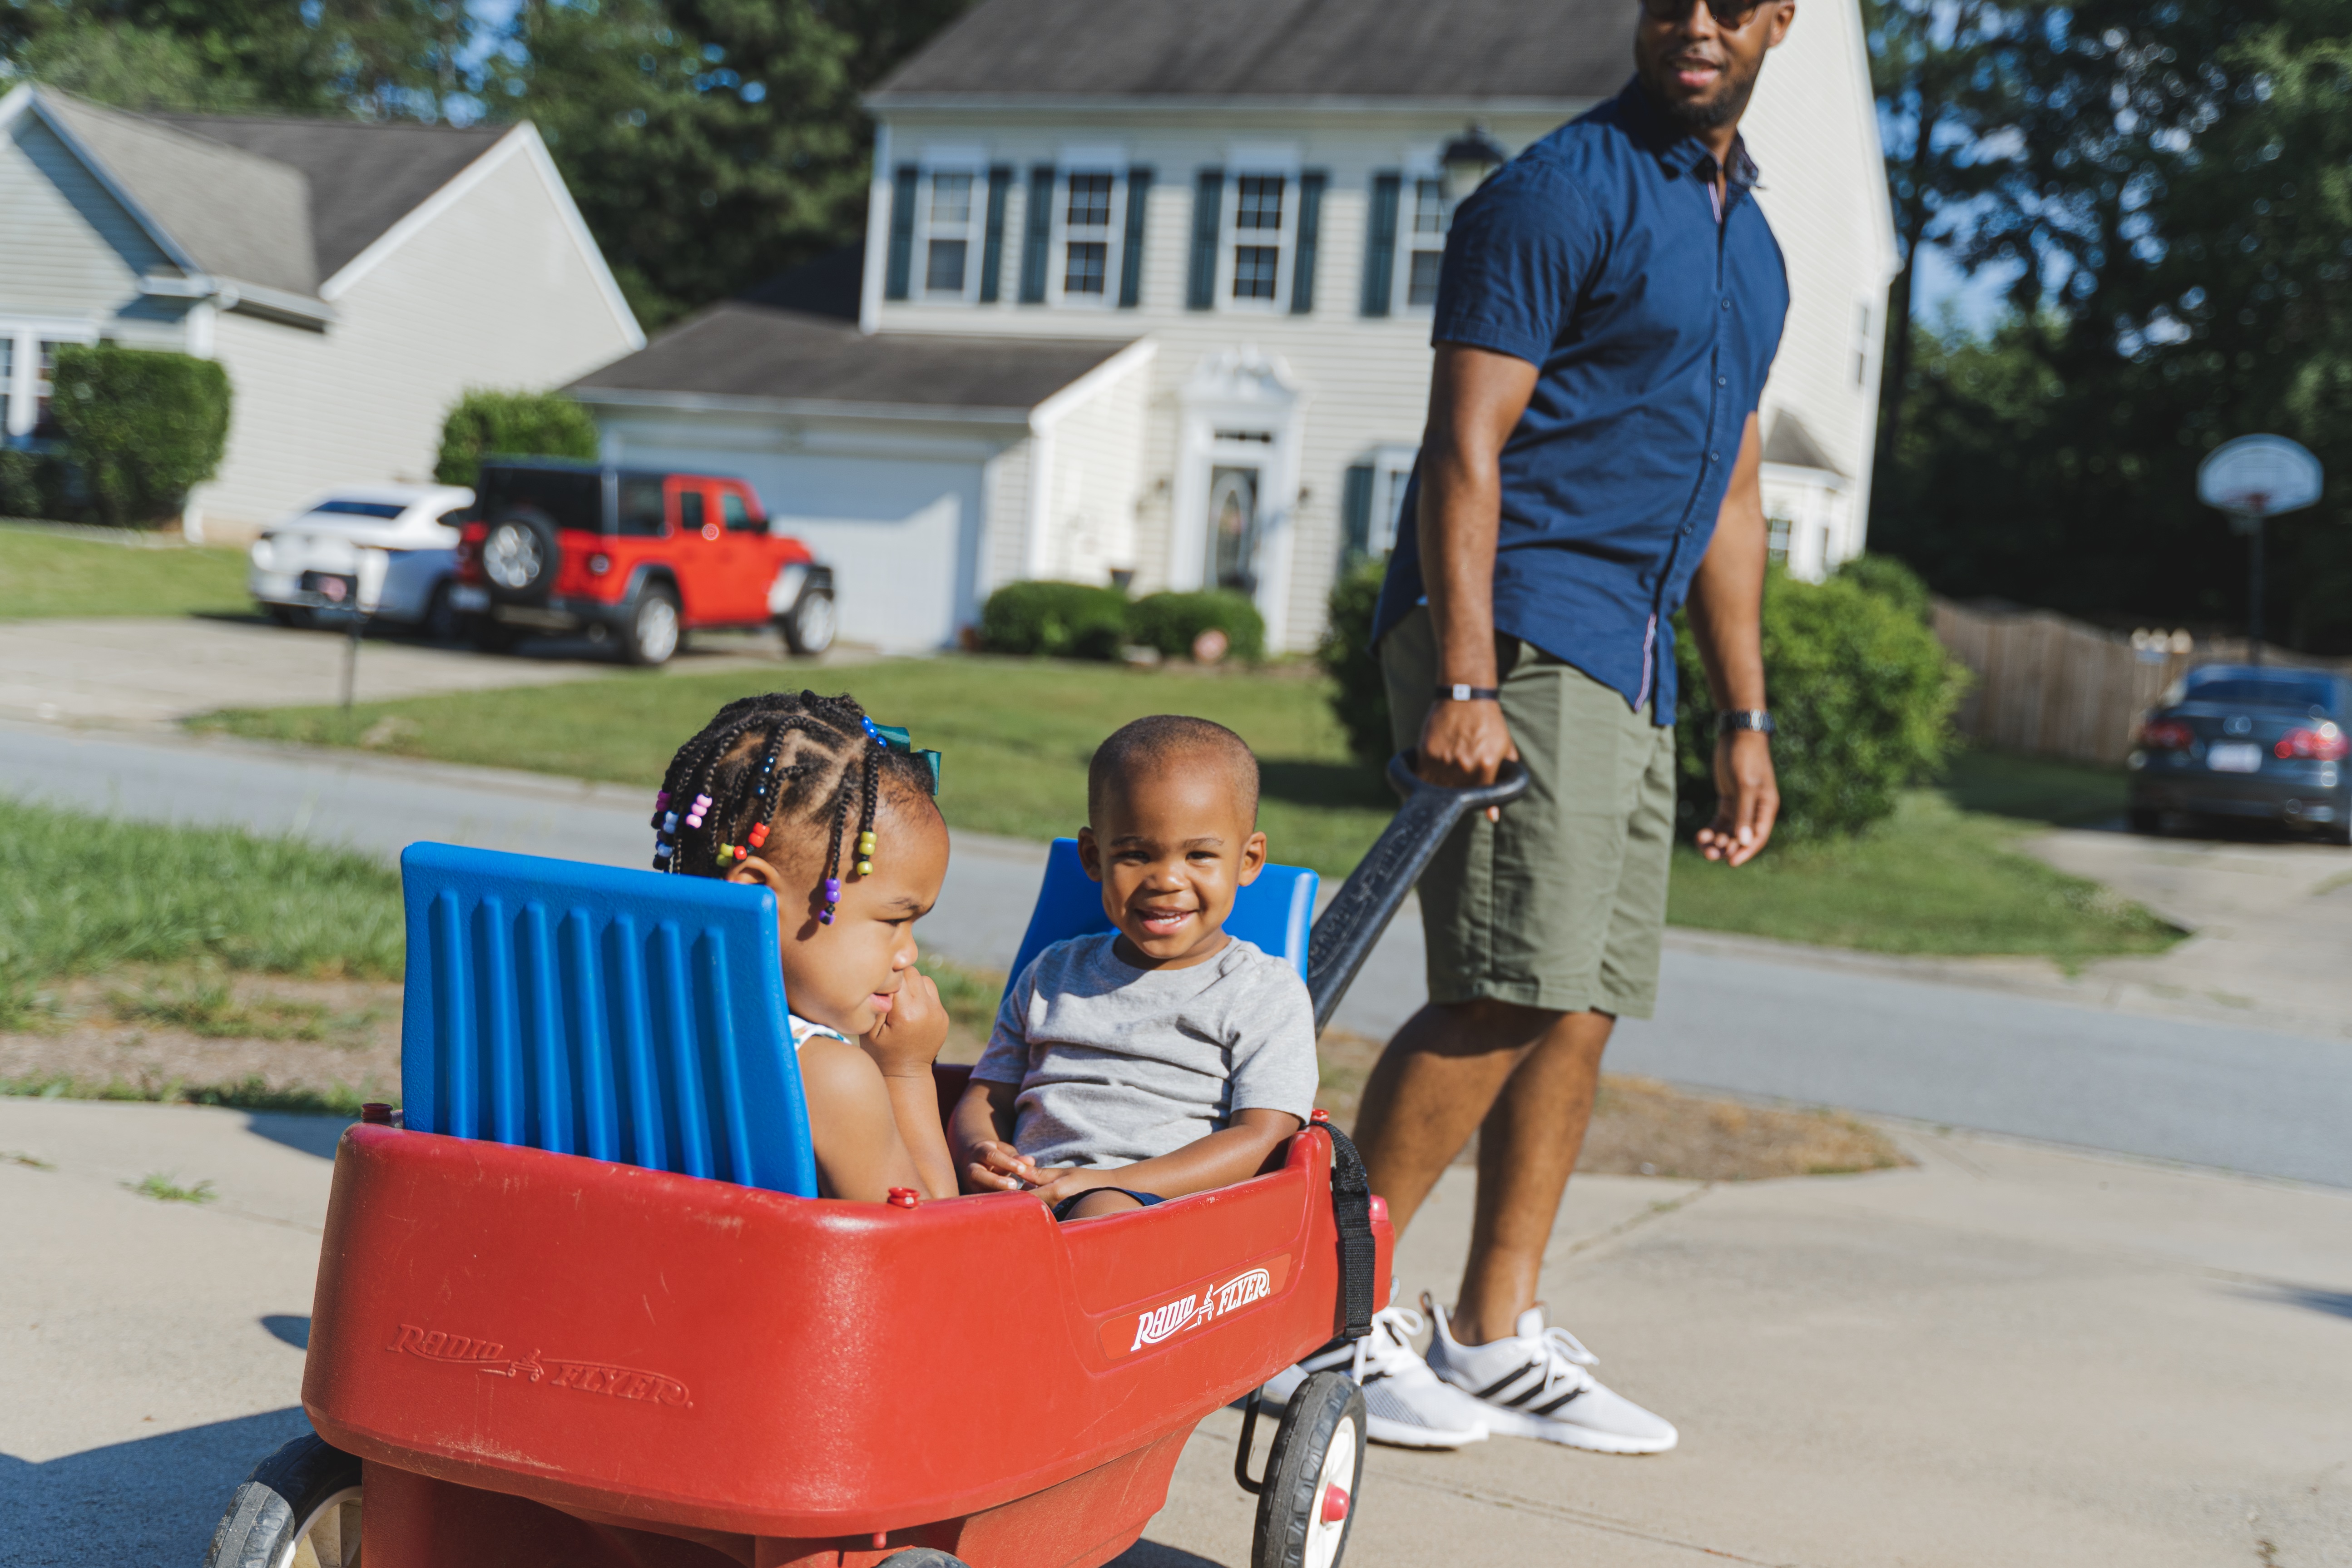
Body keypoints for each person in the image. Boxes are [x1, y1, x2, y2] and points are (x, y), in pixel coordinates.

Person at [1282, 0, 1799, 1454]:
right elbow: (1465, 439)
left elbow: (1734, 499)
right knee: (1508, 981)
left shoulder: (1753, 244)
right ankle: (1322, 1318)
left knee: (1581, 995)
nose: (1692, 24)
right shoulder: (1555, 192)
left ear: (1780, 19)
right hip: (1517, 621)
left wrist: (1743, 713)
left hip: (1632, 652)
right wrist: (1462, 680)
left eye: (1728, 3)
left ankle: (1495, 1330)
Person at [950, 716, 1318, 1221]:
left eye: (1199, 855)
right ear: (1093, 856)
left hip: (1158, 1212)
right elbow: (987, 1094)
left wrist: (1107, 1183)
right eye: (1136, 854)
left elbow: (1264, 1138)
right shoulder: (1053, 974)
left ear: (1249, 860)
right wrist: (981, 1150)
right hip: (1028, 1196)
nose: (1166, 880)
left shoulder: (1262, 991)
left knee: (1099, 1214)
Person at [650, 690, 961, 1204]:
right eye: (893, 921)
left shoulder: (611, 1012)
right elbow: (937, 1241)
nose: (908, 954)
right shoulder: (827, 1076)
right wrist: (904, 1070)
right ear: (755, 897)